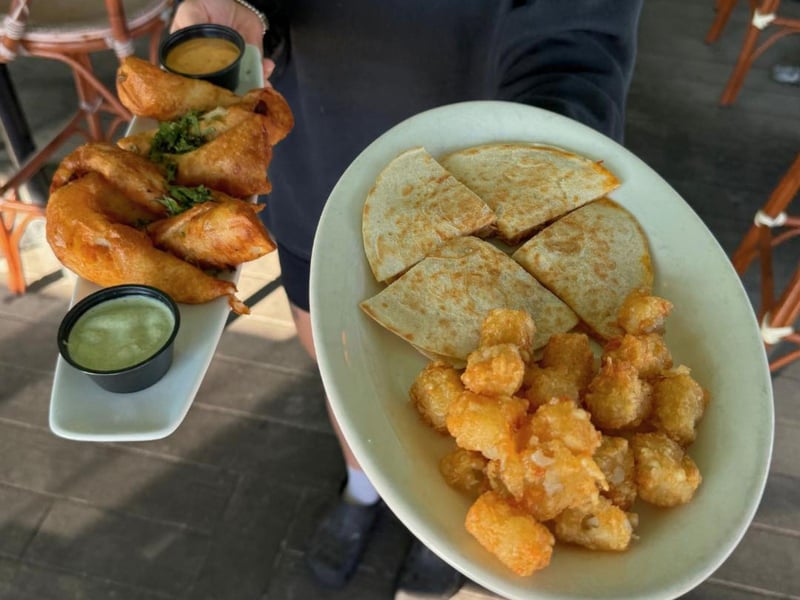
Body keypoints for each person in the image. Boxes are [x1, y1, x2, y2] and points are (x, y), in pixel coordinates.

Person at [170, 1, 644, 597]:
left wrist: (524, 184)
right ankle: (361, 487)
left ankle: (435, 521)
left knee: (474, 392)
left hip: (486, 181)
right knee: (335, 363)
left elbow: (576, 43)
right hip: (315, 154)